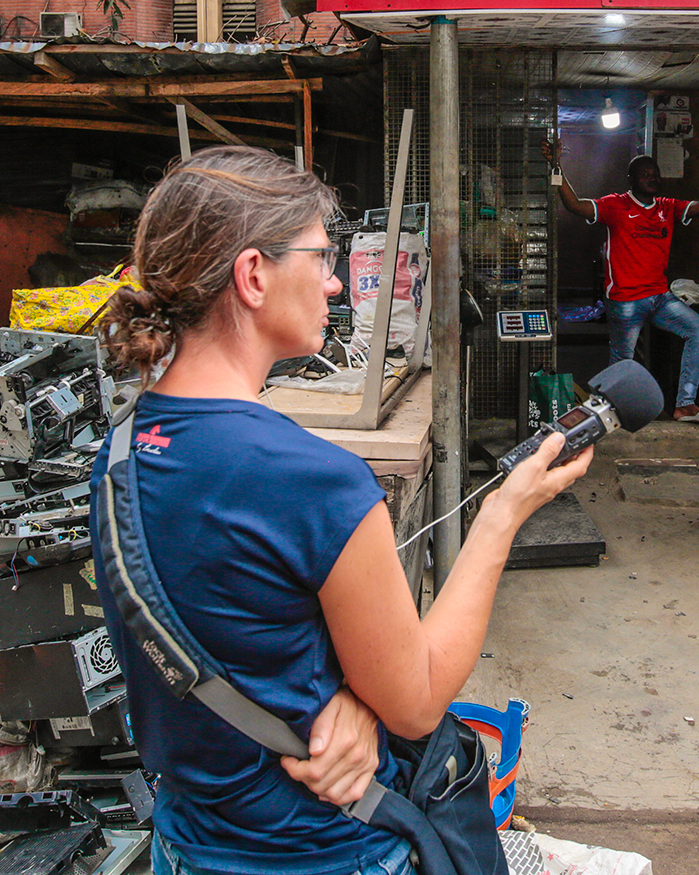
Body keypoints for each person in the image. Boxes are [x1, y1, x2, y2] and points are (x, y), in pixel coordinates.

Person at [93, 146, 591, 875]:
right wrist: (503, 513)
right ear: (253, 275)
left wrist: (352, 702)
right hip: (324, 852)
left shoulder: (120, 453)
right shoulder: (312, 479)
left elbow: (241, 637)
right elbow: (416, 703)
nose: (334, 284)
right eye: (322, 259)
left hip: (188, 845)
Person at [542, 138, 699, 424]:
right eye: (646, 174)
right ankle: (608, 413)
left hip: (659, 296)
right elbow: (575, 206)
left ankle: (684, 405)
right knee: (623, 362)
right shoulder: (615, 205)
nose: (653, 178)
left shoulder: (668, 207)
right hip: (625, 299)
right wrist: (556, 167)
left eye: (655, 174)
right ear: (631, 179)